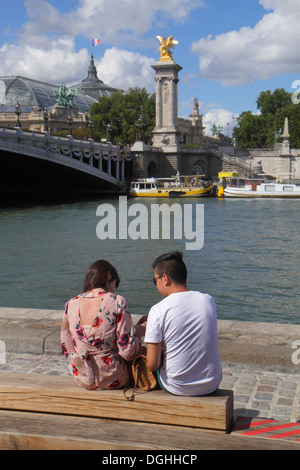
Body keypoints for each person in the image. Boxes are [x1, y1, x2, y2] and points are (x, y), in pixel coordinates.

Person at [144, 251, 222, 396]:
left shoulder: (158, 310)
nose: (156, 285)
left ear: (165, 278)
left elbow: (152, 364)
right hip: (211, 383)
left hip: (177, 386)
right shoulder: (208, 300)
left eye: (155, 281)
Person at [61, 260, 146, 390]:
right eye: (115, 283)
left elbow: (67, 348)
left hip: (82, 377)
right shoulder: (117, 301)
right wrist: (140, 331)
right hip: (113, 378)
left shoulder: (70, 304)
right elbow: (127, 352)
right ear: (108, 276)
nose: (114, 288)